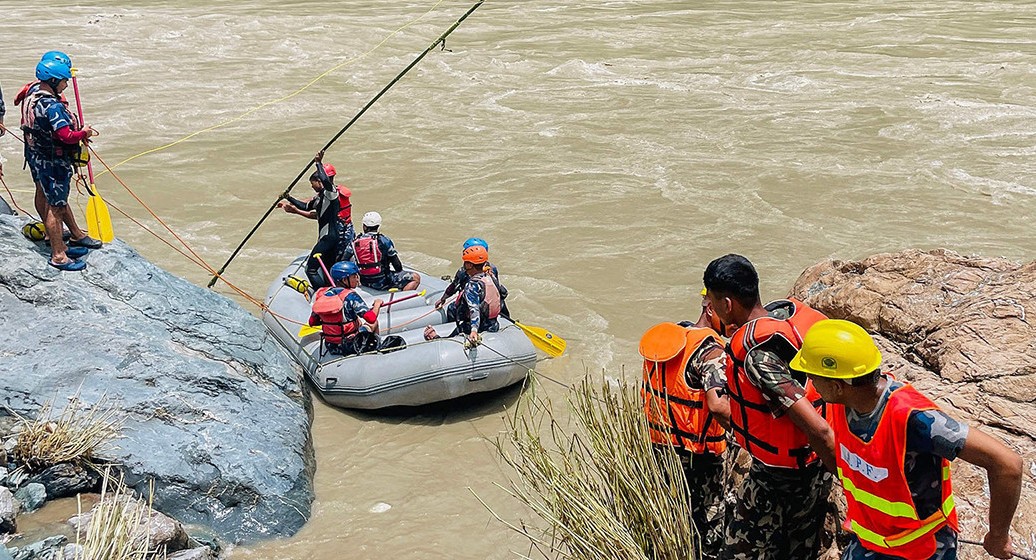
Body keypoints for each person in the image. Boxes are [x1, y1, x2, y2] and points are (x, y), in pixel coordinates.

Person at [790, 319, 1023, 560]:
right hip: (870, 540)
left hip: (920, 550)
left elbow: (1007, 464)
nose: (811, 384)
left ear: (837, 386)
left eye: (813, 376)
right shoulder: (842, 405)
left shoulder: (913, 420)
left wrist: (998, 535)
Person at [702, 254, 836, 560]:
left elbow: (818, 427)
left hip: (785, 477)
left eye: (712, 302)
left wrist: (846, 479)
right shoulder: (785, 314)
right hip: (805, 467)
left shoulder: (758, 356)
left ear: (726, 304)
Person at [638, 288, 731, 560]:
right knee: (709, 525)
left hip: (661, 449)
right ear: (712, 309)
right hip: (699, 457)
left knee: (672, 517)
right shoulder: (712, 352)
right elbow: (718, 405)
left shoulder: (669, 338)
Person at [16, 51, 100, 249]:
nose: (67, 85)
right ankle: (58, 251)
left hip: (34, 154)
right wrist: (83, 133)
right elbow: (65, 136)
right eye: (64, 80)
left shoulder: (33, 92)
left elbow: (23, 93)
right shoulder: (52, 106)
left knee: (47, 195)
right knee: (57, 205)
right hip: (53, 160)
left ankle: (74, 234)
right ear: (53, 80)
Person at [277, 150, 345, 289]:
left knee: (311, 269)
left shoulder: (331, 193)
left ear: (319, 181)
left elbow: (326, 180)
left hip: (328, 237)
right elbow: (306, 206)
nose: (312, 186)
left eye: (313, 183)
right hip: (327, 237)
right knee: (326, 266)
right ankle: (331, 287)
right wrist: (288, 197)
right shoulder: (319, 198)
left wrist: (318, 163)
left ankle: (322, 291)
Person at [424, 245, 503, 344]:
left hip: (472, 327)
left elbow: (474, 309)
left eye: (465, 263)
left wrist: (474, 330)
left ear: (470, 265)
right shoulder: (490, 276)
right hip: (492, 324)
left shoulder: (472, 285)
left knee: (446, 342)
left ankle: (435, 339)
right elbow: (502, 294)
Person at [308, 261, 383, 356]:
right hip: (351, 344)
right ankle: (376, 349)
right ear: (344, 280)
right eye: (354, 276)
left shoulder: (323, 296)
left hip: (331, 346)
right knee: (374, 324)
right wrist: (377, 304)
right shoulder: (350, 296)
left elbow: (312, 322)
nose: (357, 279)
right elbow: (371, 318)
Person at [343, 211, 421, 292]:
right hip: (382, 281)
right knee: (416, 278)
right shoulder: (384, 240)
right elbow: (398, 266)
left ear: (364, 226)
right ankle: (402, 297)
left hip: (363, 281)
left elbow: (344, 260)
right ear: (378, 226)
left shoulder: (354, 242)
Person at [435, 237, 509, 318]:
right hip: (491, 306)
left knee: (451, 308)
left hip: (473, 306)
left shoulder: (463, 271)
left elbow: (453, 287)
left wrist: (443, 299)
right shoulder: (492, 268)